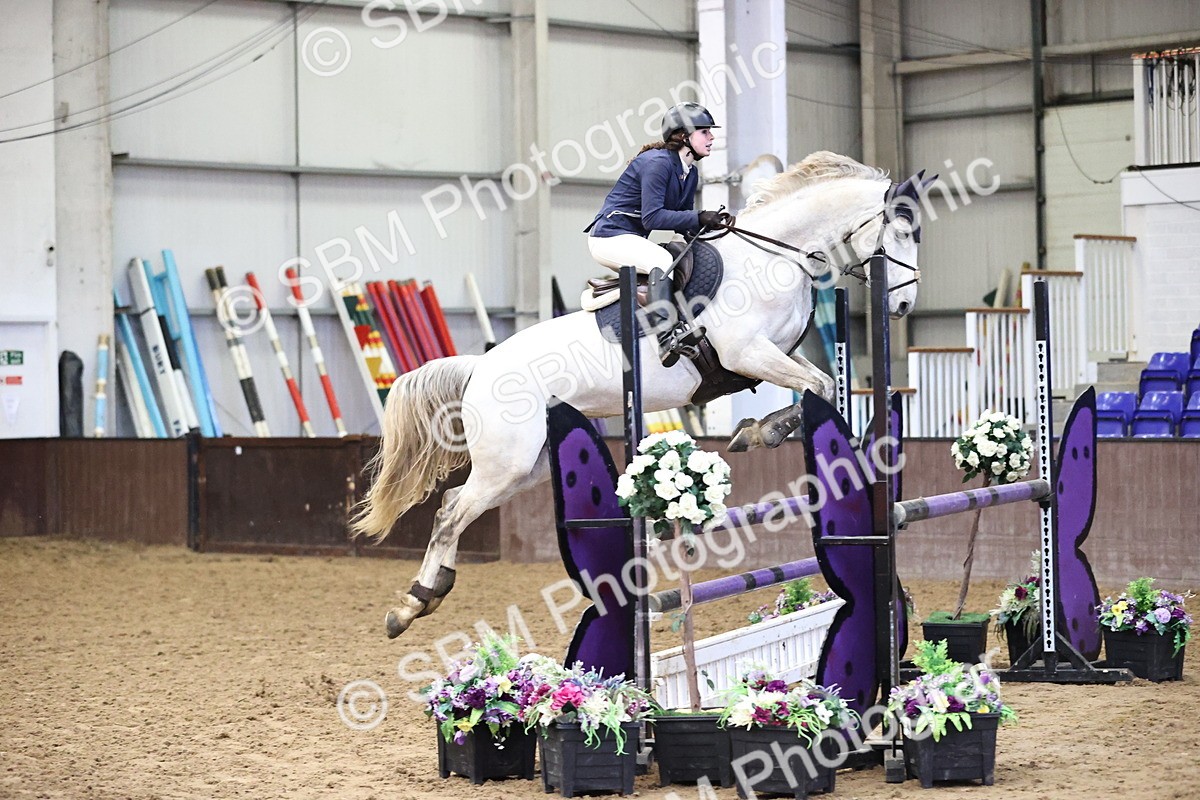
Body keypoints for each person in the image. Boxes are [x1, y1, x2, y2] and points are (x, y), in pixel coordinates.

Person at [583, 101, 731, 366]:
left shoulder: (690, 172)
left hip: (630, 238)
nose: (712, 137)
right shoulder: (657, 163)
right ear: (684, 135)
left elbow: (682, 223)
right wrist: (699, 216)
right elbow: (653, 216)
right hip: (609, 237)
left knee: (682, 254)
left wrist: (714, 225)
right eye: (705, 132)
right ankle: (666, 337)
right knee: (663, 263)